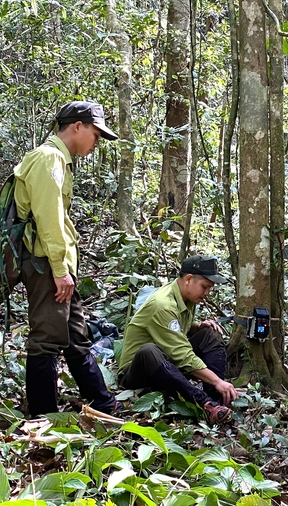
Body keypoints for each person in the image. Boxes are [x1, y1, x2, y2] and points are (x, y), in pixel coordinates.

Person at [14, 101, 119, 417]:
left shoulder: (58, 161)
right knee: (46, 341)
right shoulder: (48, 160)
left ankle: (102, 401)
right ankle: (43, 418)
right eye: (96, 134)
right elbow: (49, 219)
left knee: (75, 336)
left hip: (56, 265)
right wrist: (60, 271)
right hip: (45, 263)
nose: (97, 142)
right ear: (77, 126)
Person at [118, 255, 238, 424]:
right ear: (189, 279)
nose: (207, 293)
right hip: (138, 374)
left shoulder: (187, 298)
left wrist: (196, 328)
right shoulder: (162, 304)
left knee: (210, 335)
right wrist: (217, 380)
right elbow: (182, 354)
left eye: (209, 288)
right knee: (148, 351)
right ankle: (205, 403)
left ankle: (218, 399)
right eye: (204, 287)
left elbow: (176, 332)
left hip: (167, 364)